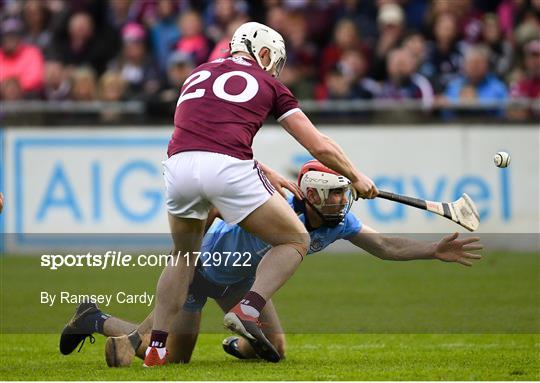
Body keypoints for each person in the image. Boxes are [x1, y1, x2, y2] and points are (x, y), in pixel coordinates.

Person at [128, 20, 378, 367]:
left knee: (183, 256)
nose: (274, 71)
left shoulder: (197, 73)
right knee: (295, 238)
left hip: (178, 164)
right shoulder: (269, 85)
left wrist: (261, 169)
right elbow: (318, 144)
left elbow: (206, 133)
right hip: (229, 167)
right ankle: (248, 309)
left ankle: (155, 346)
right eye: (274, 62)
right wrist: (355, 175)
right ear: (262, 53)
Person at [59, 161, 483, 365]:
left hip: (241, 284)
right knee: (166, 356)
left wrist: (433, 250)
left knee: (275, 349)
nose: (340, 202)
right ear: (311, 195)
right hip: (199, 274)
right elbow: (227, 188)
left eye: (343, 193)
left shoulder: (340, 222)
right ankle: (94, 318)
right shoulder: (275, 207)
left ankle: (236, 341)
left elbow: (386, 246)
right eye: (332, 195)